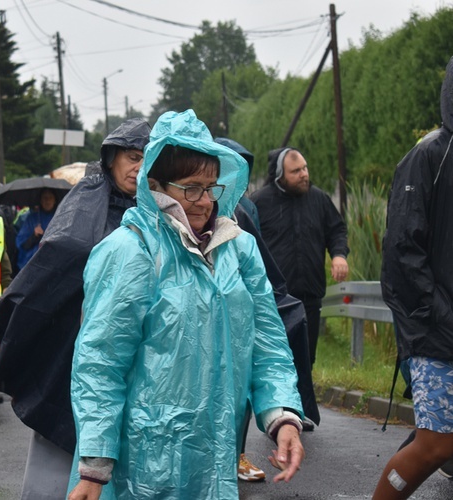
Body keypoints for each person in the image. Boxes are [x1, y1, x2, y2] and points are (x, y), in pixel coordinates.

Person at [68, 110, 304, 499]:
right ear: (156, 184)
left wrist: (282, 416)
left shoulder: (238, 248)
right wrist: (95, 467)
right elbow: (100, 363)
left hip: (215, 461)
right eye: (191, 188)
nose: (204, 201)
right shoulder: (131, 251)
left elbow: (266, 339)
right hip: (141, 464)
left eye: (212, 187)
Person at [0, 118, 151, 499]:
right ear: (112, 159)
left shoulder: (156, 213)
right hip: (70, 352)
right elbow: (48, 270)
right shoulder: (87, 198)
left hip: (132, 357)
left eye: (147, 158)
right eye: (133, 157)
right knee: (56, 457)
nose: (139, 166)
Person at [215, 138, 322, 480]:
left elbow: (266, 346)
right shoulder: (136, 245)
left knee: (242, 387)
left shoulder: (245, 212)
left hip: (284, 296)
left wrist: (281, 417)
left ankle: (236, 456)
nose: (204, 198)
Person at [371, 56, 453, 500]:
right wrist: (438, 315)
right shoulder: (429, 155)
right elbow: (403, 251)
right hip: (435, 328)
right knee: (436, 444)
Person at [250, 147, 349, 370]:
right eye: (295, 171)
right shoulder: (259, 203)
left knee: (305, 362)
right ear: (280, 176)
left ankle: (304, 404)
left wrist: (339, 255)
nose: (304, 174)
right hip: (273, 300)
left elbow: (337, 231)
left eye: (305, 168)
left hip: (309, 299)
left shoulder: (319, 199)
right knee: (276, 363)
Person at [15, 188, 58, 270]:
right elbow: (21, 244)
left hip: (53, 266)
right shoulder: (31, 219)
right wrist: (34, 236)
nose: (47, 201)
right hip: (33, 266)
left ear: (55, 200)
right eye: (45, 198)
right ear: (41, 201)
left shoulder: (60, 218)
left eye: (50, 198)